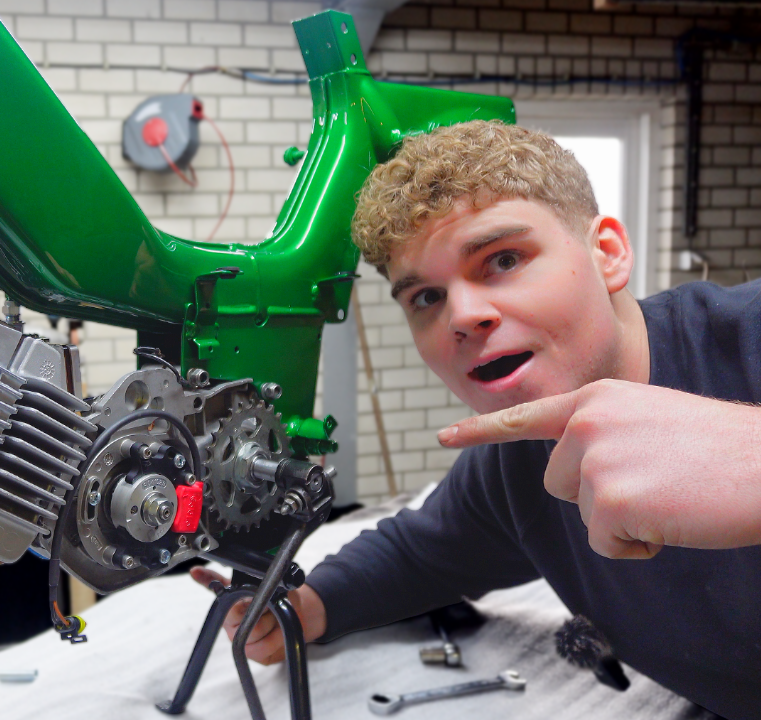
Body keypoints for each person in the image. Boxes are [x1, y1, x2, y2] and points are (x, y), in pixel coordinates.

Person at [190, 120, 761, 719]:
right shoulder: (517, 464)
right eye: (426, 298)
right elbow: (419, 556)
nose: (462, 315)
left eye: (503, 260)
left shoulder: (746, 336)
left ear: (608, 254)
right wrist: (305, 608)